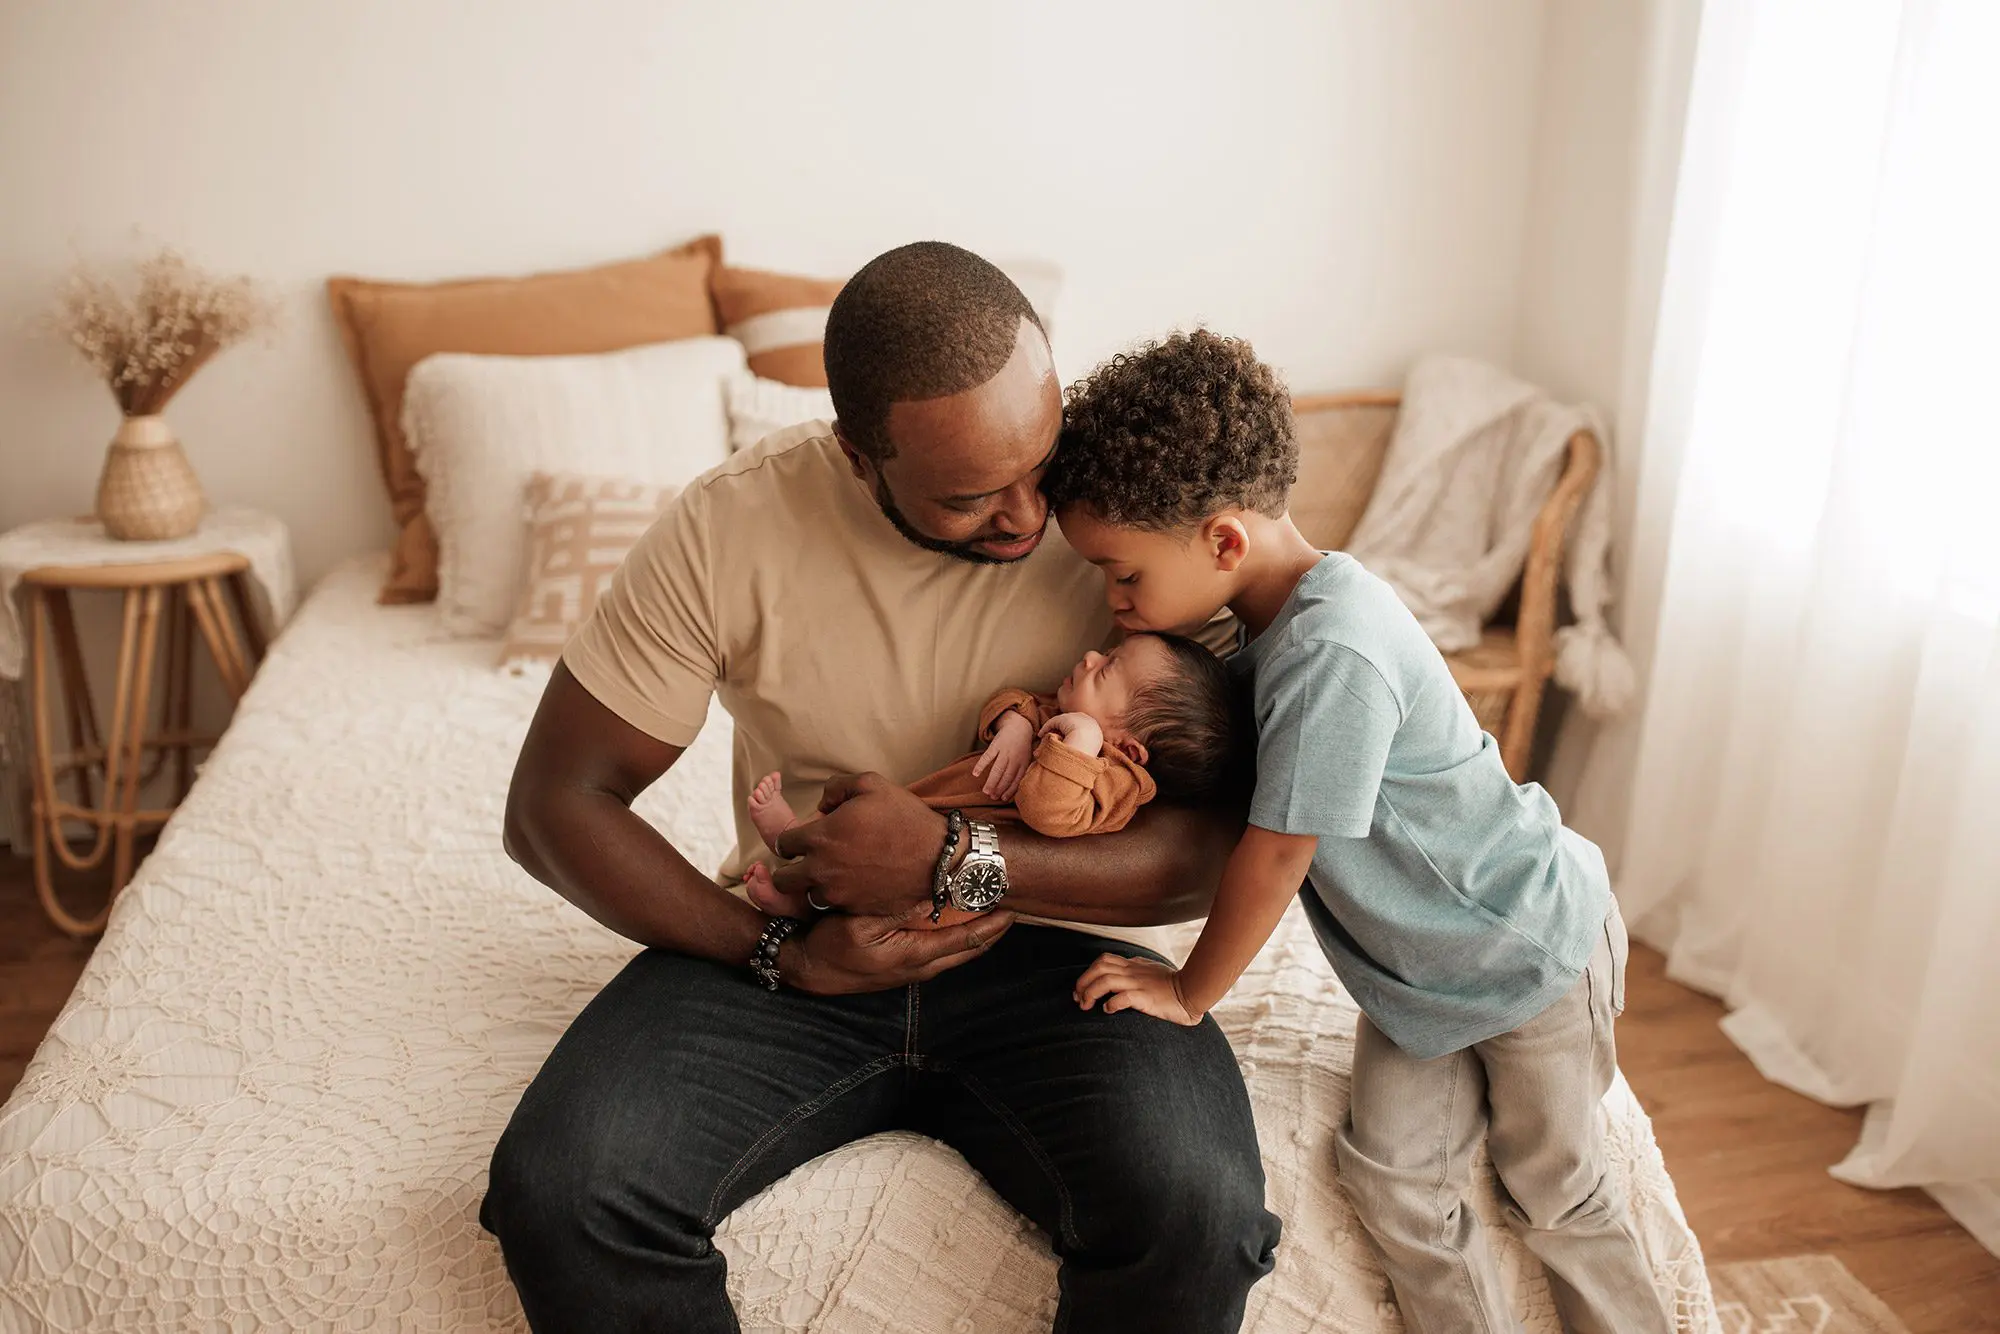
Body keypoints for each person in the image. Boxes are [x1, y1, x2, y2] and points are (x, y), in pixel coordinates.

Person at [481, 244, 1280, 1334]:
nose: (1026, 515)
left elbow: (1221, 845)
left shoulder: (1127, 518)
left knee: (1201, 1213)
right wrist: (771, 951)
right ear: (860, 457)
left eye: (1037, 464)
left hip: (1059, 956)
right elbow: (555, 802)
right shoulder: (730, 525)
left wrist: (958, 859)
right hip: (794, 948)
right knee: (562, 1191)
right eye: (967, 496)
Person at [1050, 330, 1674, 1334]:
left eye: (1121, 575)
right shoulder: (1250, 627)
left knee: (1551, 1189)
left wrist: (1186, 988)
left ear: (1220, 540)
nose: (1114, 605)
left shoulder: (1331, 645)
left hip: (1527, 945)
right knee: (1389, 1178)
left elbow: (1280, 845)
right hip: (1415, 982)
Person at [740, 629, 1248, 913]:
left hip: (953, 862)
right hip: (931, 806)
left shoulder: (1115, 782)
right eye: (1107, 653)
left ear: (1129, 749)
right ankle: (795, 835)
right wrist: (1016, 726)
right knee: (856, 830)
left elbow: (1047, 810)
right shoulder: (1068, 718)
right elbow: (1017, 699)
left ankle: (800, 906)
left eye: (1107, 669)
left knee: (895, 900)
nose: (1091, 655)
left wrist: (1082, 743)